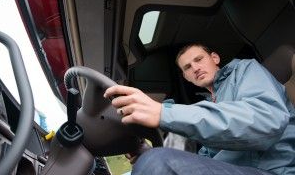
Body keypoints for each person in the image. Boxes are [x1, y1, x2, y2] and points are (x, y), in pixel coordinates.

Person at [103, 43, 295, 175]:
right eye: (187, 67)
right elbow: (202, 159)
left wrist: (163, 113)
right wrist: (146, 151)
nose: (195, 68)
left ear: (215, 58)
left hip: (273, 169)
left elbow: (266, 121)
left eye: (199, 59)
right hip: (230, 169)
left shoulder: (245, 71)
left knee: (156, 163)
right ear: (186, 77)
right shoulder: (209, 106)